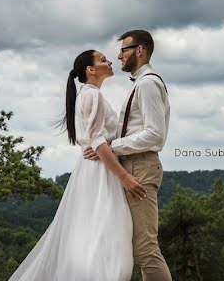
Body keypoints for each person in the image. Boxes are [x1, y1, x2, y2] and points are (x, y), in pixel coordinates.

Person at [8, 50, 146, 281]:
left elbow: (100, 141)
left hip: (92, 171)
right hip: (101, 174)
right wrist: (125, 177)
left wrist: (107, 144)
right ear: (90, 70)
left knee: (94, 241)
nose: (110, 61)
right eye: (103, 60)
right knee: (110, 245)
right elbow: (98, 141)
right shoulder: (92, 95)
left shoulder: (87, 94)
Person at [84, 29, 172, 280]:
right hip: (134, 166)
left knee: (146, 249)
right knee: (137, 248)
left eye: (123, 50)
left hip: (140, 167)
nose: (119, 56)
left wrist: (112, 147)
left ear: (140, 50)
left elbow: (155, 135)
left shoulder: (148, 84)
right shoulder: (142, 84)